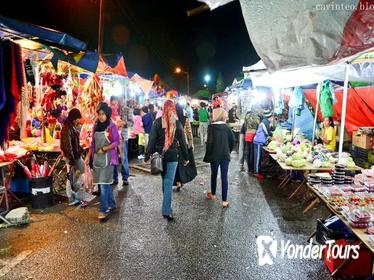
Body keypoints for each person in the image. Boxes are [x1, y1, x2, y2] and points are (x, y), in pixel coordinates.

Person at [145, 100, 189, 221]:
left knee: (165, 181)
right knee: (168, 182)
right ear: (173, 108)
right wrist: (186, 157)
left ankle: (166, 205)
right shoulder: (177, 123)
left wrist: (147, 155)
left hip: (160, 157)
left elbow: (152, 140)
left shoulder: (158, 122)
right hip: (173, 157)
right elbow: (183, 143)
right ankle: (166, 210)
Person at [85, 102, 120, 221]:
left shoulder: (112, 126)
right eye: (99, 114)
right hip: (97, 160)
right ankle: (112, 204)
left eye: (103, 114)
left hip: (108, 159)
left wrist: (105, 148)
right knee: (102, 183)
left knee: (104, 185)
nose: (101, 116)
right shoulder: (96, 126)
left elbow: (116, 142)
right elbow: (92, 144)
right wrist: (88, 156)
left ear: (107, 114)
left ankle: (103, 210)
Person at [203, 108, 235, 208]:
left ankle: (213, 194)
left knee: (214, 174)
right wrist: (228, 151)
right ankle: (224, 201)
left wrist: (208, 154)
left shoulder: (211, 128)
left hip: (214, 155)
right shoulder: (227, 127)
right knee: (224, 177)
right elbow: (233, 140)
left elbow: (209, 142)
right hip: (225, 155)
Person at [61, 108, 86, 206]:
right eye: (77, 119)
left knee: (76, 174)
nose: (78, 121)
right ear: (73, 118)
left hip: (75, 155)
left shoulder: (71, 127)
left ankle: (74, 195)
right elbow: (68, 146)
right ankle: (71, 198)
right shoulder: (67, 128)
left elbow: (73, 143)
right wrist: (71, 159)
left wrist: (80, 149)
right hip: (71, 157)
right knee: (71, 176)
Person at [174, 103, 197, 191]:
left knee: (176, 164)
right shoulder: (185, 118)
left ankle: (178, 182)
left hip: (175, 144)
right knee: (183, 163)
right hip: (184, 144)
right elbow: (189, 131)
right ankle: (182, 180)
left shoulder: (172, 119)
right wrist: (191, 143)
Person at [253, 109, 273, 180]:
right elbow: (267, 132)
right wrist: (273, 135)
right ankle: (256, 172)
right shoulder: (265, 122)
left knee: (259, 157)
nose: (272, 118)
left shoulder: (265, 121)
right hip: (258, 141)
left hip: (260, 141)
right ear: (270, 117)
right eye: (272, 117)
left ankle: (258, 170)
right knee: (258, 157)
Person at [117, 99, 133, 186]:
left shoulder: (127, 110)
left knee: (123, 158)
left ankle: (125, 177)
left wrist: (124, 122)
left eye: (119, 100)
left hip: (123, 137)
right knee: (113, 158)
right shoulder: (112, 109)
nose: (118, 103)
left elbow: (131, 123)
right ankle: (114, 177)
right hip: (111, 137)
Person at [243, 109, 260, 174]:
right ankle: (252, 169)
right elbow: (258, 127)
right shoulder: (257, 117)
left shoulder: (247, 116)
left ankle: (249, 168)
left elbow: (245, 126)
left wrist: (247, 130)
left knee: (248, 151)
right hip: (254, 135)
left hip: (247, 134)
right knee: (252, 152)